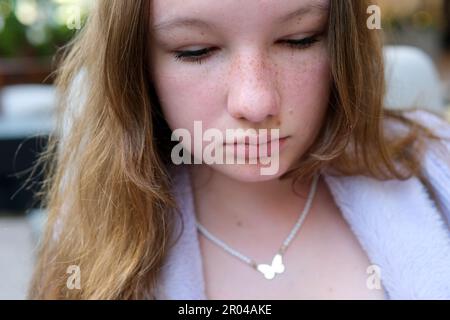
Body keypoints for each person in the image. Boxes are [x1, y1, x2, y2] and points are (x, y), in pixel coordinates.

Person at [28, 0, 450, 300]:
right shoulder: (92, 235)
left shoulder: (436, 168)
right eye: (196, 51)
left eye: (298, 40)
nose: (256, 103)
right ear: (137, 67)